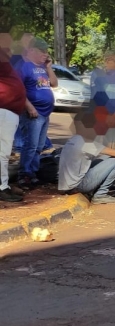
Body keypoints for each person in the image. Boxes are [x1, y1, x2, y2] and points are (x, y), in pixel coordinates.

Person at [13, 37, 57, 190]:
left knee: (38, 146)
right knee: (30, 145)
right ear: (32, 51)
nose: (45, 54)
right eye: (42, 51)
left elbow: (54, 84)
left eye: (46, 51)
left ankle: (33, 173)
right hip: (33, 113)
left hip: (45, 114)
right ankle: (24, 174)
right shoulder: (24, 67)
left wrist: (49, 67)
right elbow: (18, 89)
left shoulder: (43, 68)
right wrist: (30, 107)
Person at [58, 135, 115, 204]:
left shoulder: (75, 139)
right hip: (77, 186)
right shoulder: (87, 143)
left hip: (65, 186)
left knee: (106, 158)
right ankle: (101, 194)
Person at [0, 43, 26, 202]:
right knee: (2, 152)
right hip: (4, 110)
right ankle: (1, 188)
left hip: (8, 111)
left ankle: (3, 185)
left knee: (3, 152)